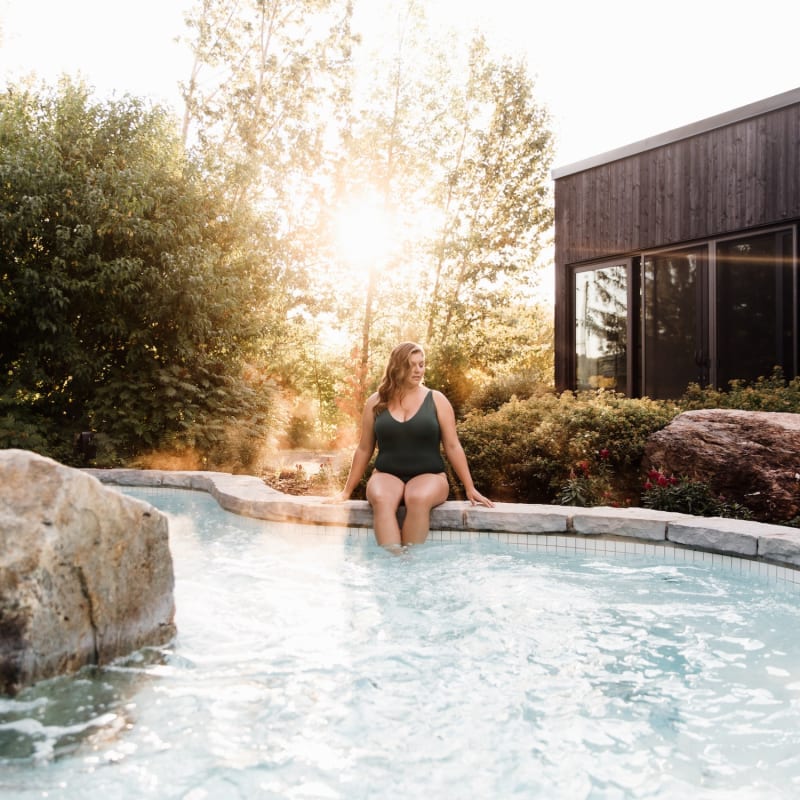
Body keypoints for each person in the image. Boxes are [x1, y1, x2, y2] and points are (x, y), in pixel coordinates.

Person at [327, 342, 494, 548]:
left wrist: (470, 487)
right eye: (411, 365)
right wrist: (346, 491)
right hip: (386, 475)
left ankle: (410, 563)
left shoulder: (437, 400)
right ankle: (393, 560)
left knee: (417, 498)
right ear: (397, 367)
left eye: (421, 364)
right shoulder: (375, 402)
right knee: (382, 499)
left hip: (430, 476)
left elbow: (452, 446)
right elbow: (364, 448)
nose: (418, 370)